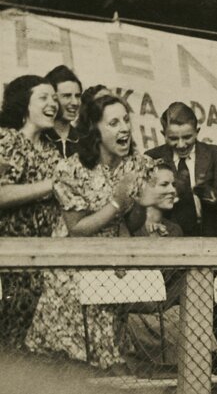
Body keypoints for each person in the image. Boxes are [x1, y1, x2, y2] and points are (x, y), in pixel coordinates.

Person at [25, 95, 154, 371]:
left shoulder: (137, 164)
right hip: (75, 266)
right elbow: (77, 229)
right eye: (114, 122)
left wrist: (141, 203)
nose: (124, 128)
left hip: (115, 262)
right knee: (76, 362)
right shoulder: (71, 169)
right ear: (95, 130)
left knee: (113, 357)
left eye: (126, 120)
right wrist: (117, 202)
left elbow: (132, 223)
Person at [0, 75, 62, 348]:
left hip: (44, 265)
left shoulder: (54, 153)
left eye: (54, 98)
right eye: (44, 97)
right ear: (24, 104)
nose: (53, 104)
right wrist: (50, 185)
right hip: (10, 263)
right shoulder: (6, 140)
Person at [123, 161, 186, 376]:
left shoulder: (174, 230)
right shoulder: (127, 229)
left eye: (173, 184)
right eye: (164, 185)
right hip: (136, 314)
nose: (172, 190)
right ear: (144, 189)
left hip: (166, 312)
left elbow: (176, 284)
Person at [146, 102, 217, 237]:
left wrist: (209, 194)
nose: (181, 145)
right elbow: (147, 203)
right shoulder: (152, 158)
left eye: (187, 137)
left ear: (197, 132)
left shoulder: (214, 154)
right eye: (173, 138)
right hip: (168, 236)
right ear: (164, 134)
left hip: (209, 237)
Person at [42, 65, 82, 158]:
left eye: (77, 96)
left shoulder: (85, 142)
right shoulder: (39, 138)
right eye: (67, 96)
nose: (75, 102)